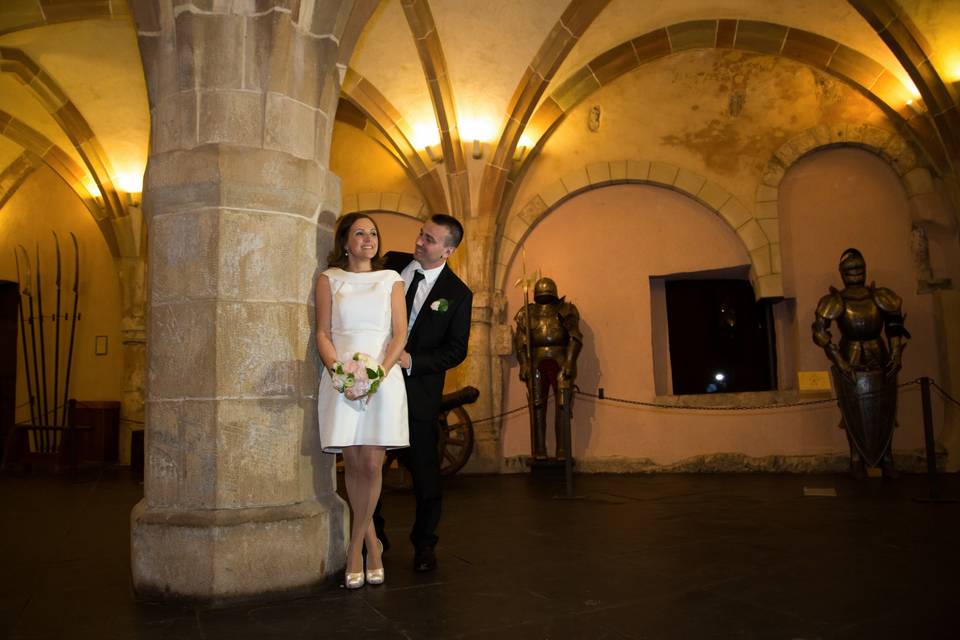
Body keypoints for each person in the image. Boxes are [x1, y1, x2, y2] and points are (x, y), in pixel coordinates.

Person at [316, 213, 409, 589]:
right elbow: (322, 332)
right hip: (341, 378)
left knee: (372, 465)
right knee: (352, 465)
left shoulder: (391, 279)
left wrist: (377, 374)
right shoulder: (329, 280)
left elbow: (399, 334)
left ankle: (356, 550)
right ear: (345, 242)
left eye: (373, 233)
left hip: (381, 379)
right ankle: (373, 544)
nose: (368, 239)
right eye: (359, 233)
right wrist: (339, 371)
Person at [375, 213, 472, 572]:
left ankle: (425, 544)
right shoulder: (393, 265)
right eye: (420, 234)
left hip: (418, 393)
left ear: (447, 251)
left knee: (426, 474)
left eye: (429, 240)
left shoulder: (458, 294)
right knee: (370, 468)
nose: (418, 242)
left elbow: (456, 350)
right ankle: (376, 537)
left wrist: (412, 360)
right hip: (377, 386)